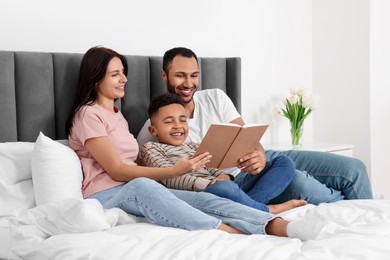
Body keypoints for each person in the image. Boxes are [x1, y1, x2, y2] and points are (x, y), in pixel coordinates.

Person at [64, 46, 310, 239]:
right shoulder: (88, 114)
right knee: (144, 187)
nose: (124, 79)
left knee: (206, 200)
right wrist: (172, 171)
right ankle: (228, 232)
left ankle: (276, 225)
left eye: (123, 73)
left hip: (138, 187)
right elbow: (117, 169)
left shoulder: (117, 115)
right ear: (96, 79)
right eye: (115, 74)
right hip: (105, 193)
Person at [137, 47, 373, 204]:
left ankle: (368, 223)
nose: (189, 83)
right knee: (306, 185)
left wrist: (259, 155)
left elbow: (248, 137)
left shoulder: (215, 97)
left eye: (194, 75)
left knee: (354, 169)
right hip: (237, 181)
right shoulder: (155, 128)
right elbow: (150, 175)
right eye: (180, 75)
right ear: (164, 75)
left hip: (263, 160)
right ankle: (353, 214)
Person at [141, 92, 307, 214]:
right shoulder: (151, 148)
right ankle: (267, 210)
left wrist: (226, 177)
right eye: (169, 122)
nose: (178, 126)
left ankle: (246, 208)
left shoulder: (192, 147)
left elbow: (211, 168)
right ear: (153, 130)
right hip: (203, 193)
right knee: (225, 189)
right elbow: (169, 177)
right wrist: (210, 184)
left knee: (283, 162)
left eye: (182, 120)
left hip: (225, 187)